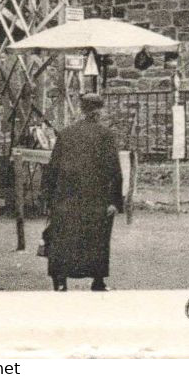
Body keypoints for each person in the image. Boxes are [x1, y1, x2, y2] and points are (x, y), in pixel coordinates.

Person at [42, 92, 124, 291]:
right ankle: (98, 280)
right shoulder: (106, 135)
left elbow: (53, 168)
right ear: (100, 110)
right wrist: (115, 201)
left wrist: (48, 198)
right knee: (97, 239)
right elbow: (114, 170)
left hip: (66, 197)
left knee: (64, 238)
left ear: (81, 109)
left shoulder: (66, 134)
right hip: (96, 198)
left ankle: (60, 281)